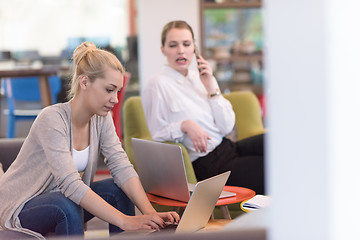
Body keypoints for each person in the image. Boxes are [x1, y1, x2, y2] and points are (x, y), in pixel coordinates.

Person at [0, 42, 179, 239]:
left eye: (117, 91)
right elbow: (70, 184)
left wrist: (150, 213)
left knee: (117, 189)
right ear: (84, 82)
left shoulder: (102, 118)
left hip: (61, 201)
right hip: (20, 206)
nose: (115, 99)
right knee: (65, 204)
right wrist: (125, 220)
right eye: (109, 90)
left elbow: (121, 166)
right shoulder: (52, 119)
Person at [142, 20, 265, 194]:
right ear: (163, 49)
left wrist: (211, 86)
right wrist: (185, 125)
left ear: (194, 48)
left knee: (280, 143)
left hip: (229, 147)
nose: (181, 50)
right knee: (275, 170)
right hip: (209, 165)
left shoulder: (200, 78)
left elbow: (227, 126)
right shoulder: (157, 84)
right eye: (173, 45)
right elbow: (157, 134)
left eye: (186, 44)